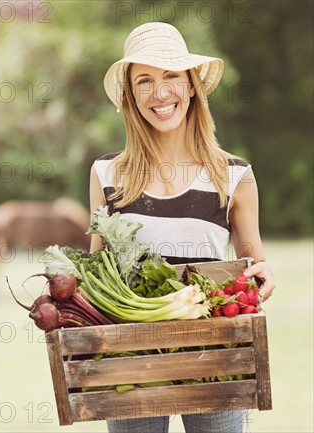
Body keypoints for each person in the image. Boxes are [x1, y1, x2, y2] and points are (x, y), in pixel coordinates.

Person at [89, 22, 276, 433]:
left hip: (215, 358)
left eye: (172, 76)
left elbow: (254, 265)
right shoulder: (106, 174)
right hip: (132, 364)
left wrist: (263, 278)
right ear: (130, 95)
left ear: (192, 86)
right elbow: (96, 269)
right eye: (145, 81)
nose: (160, 93)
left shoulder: (234, 175)